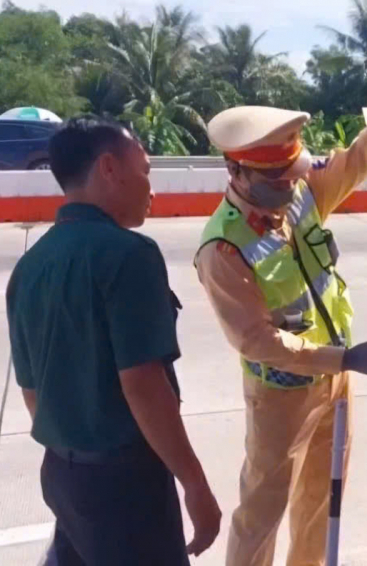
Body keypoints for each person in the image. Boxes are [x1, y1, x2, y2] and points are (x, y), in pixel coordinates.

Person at [195, 66, 367, 565]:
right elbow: (256, 341)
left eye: (293, 171)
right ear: (236, 172)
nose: (290, 184)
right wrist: (345, 358)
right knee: (261, 513)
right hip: (281, 395)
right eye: (276, 178)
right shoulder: (222, 248)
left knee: (320, 504)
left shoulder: (301, 193)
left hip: (336, 382)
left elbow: (362, 156)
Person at [5, 118, 222, 565]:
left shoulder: (29, 267)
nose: (151, 189)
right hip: (124, 486)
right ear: (108, 168)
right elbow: (143, 384)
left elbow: (32, 392)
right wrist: (195, 484)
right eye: (144, 171)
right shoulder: (129, 254)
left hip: (63, 475)